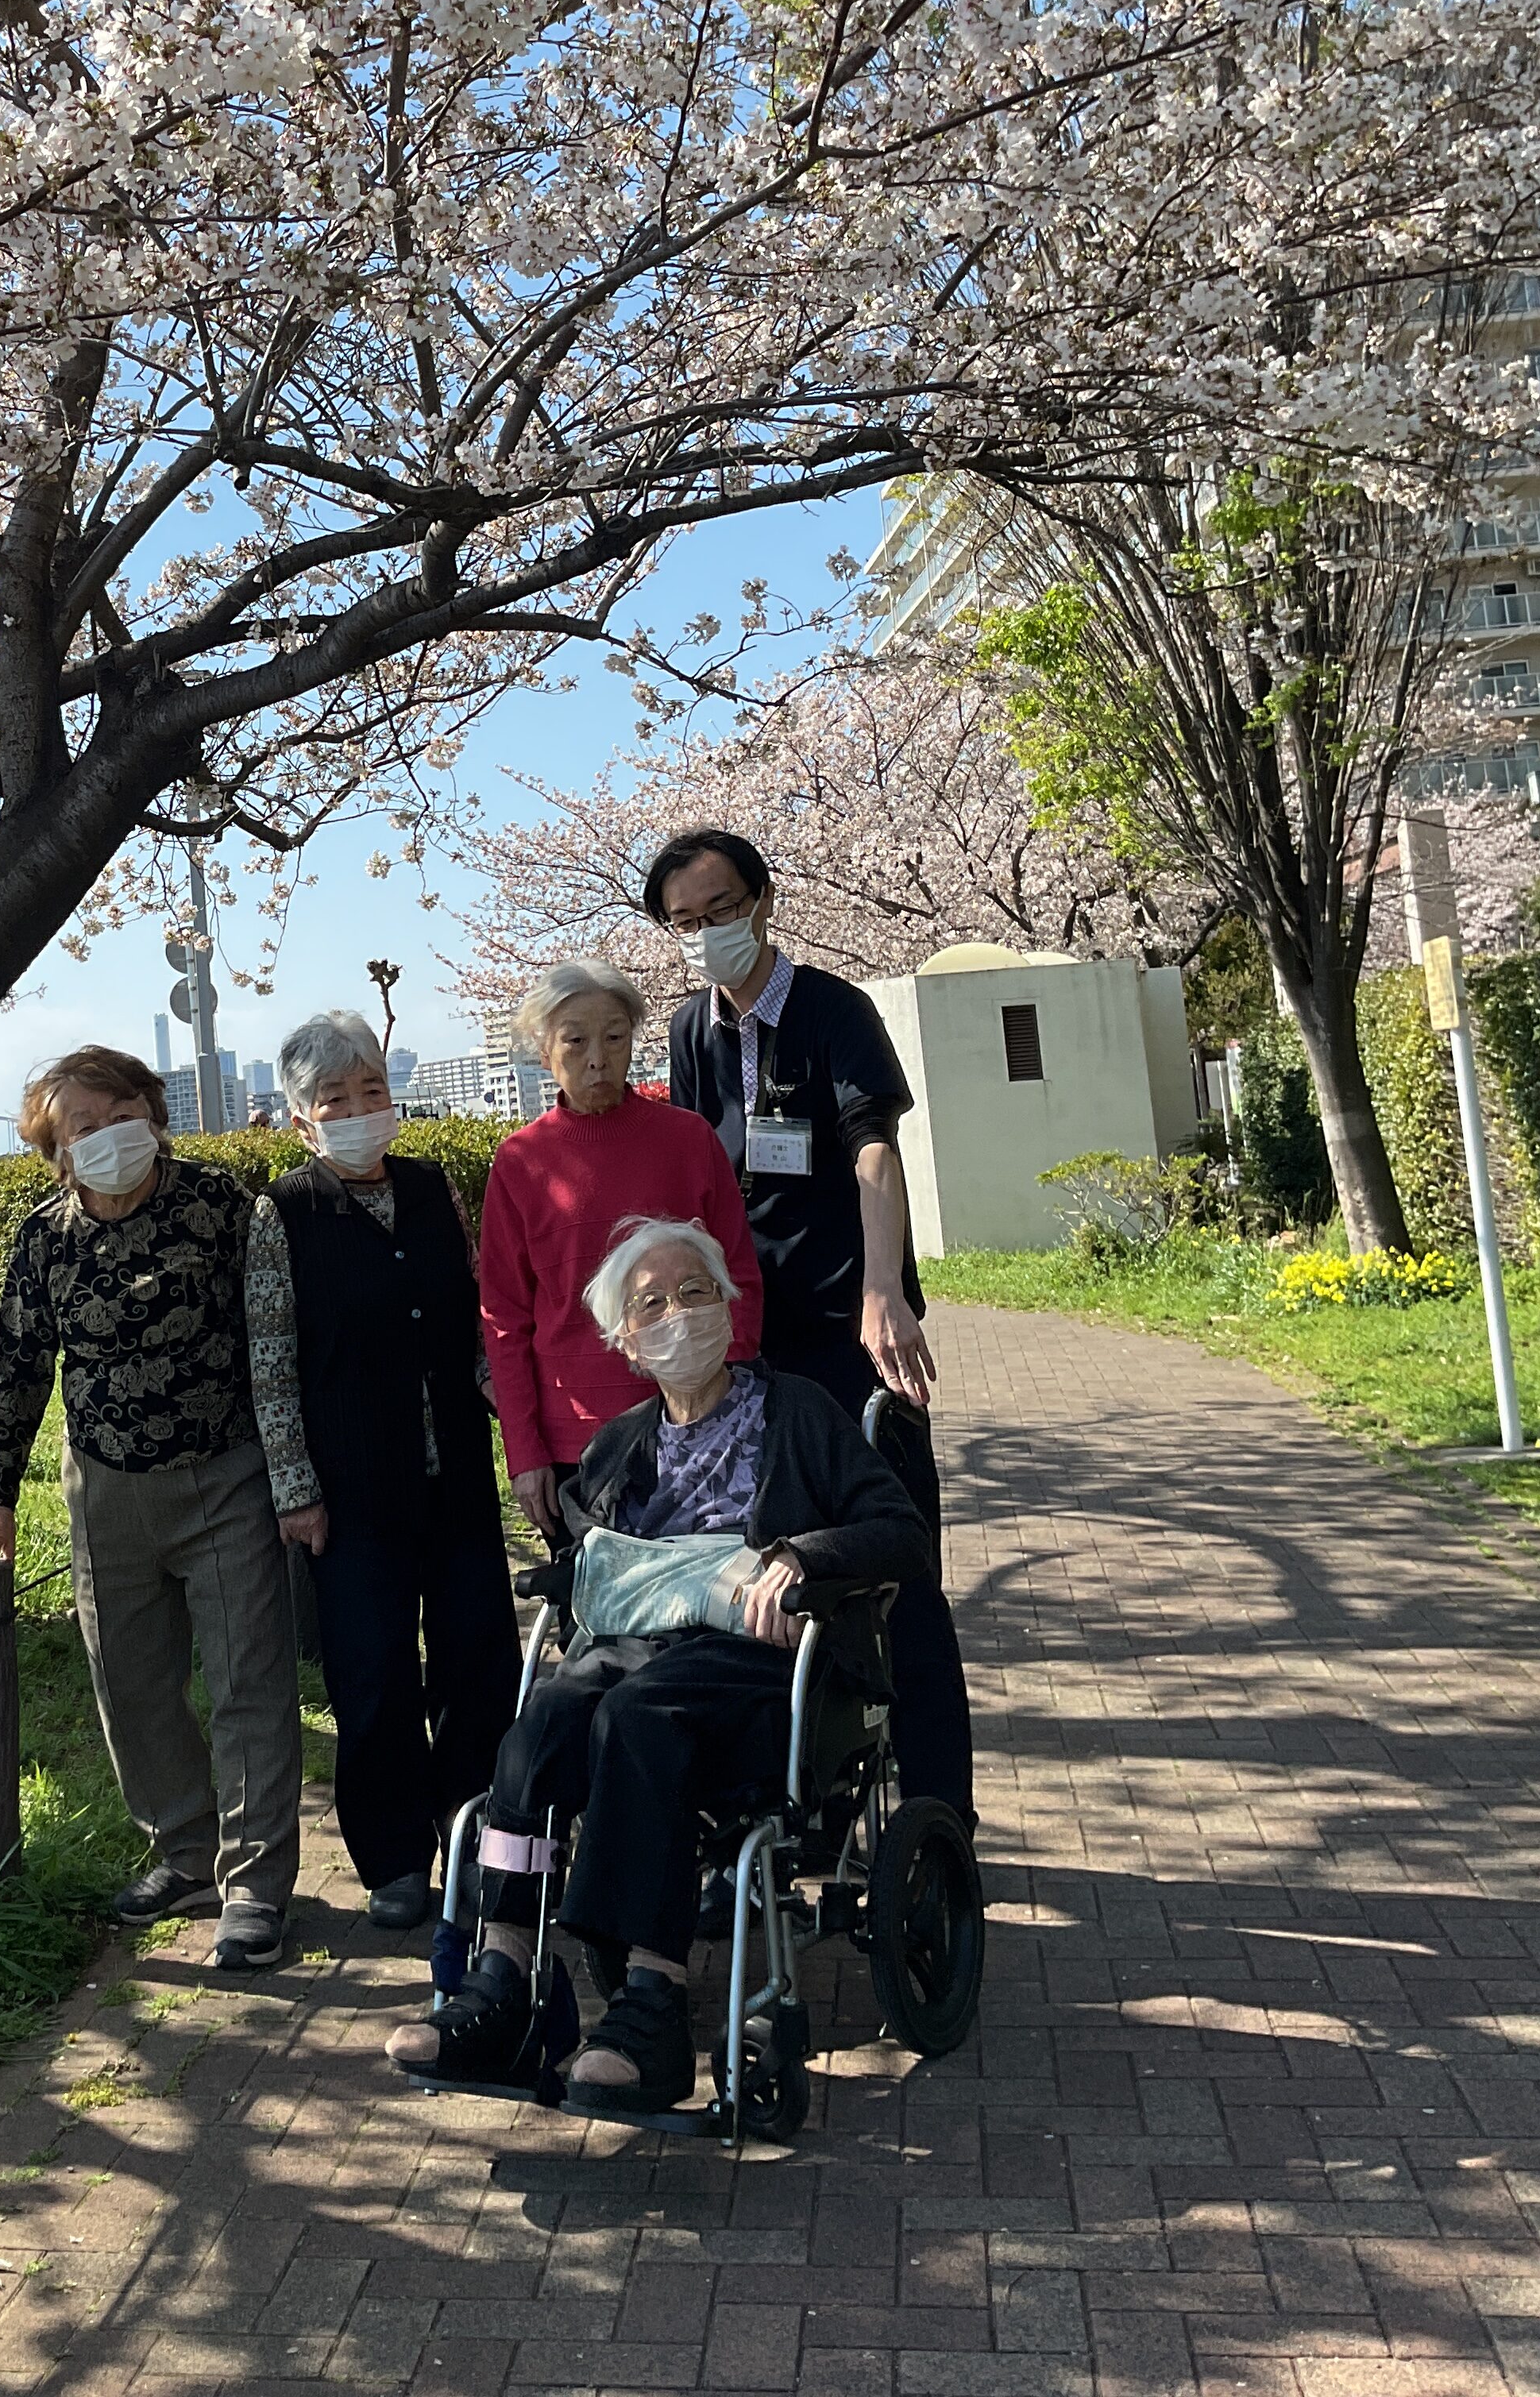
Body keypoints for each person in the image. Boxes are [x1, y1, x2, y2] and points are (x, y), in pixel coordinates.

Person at [386, 1218, 930, 2115]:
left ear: (729, 1305)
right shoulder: (618, 1447)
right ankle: (501, 1979)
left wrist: (800, 1557)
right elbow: (586, 1564)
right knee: (541, 1727)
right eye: (651, 1304)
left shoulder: (797, 1413)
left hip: (755, 1662)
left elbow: (900, 1533)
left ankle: (651, 2005)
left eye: (695, 1292)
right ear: (625, 1341)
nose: (678, 1314)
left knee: (636, 1717)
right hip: (636, 1655)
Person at [644, 826, 974, 1826]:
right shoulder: (690, 1033)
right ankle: (807, 1805)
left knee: (894, 1561)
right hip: (750, 1348)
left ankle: (938, 1817)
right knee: (769, 1569)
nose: (707, 935)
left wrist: (884, 1290)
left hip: (852, 1336)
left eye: (721, 912)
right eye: (685, 922)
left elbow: (874, 1151)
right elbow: (705, 1185)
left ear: (764, 904)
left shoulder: (834, 1011)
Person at [0, 1045, 302, 1971]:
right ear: (57, 1152)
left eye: (121, 1114)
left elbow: (277, 1345)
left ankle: (258, 1885)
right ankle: (185, 1853)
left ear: (153, 1112)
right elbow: (17, 1374)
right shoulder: (44, 1240)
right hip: (105, 1488)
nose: (108, 1137)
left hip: (225, 1475)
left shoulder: (222, 1207)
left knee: (248, 1682)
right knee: (132, 1683)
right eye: (83, 1128)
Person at [246, 1011, 521, 1932]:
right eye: (335, 1099)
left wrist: (525, 1423)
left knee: (479, 1660)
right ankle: (396, 1857)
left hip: (456, 1477)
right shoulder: (282, 1213)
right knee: (373, 1681)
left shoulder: (431, 1186)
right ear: (300, 1122)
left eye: (372, 1092)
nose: (359, 1110)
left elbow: (474, 1323)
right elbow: (271, 1361)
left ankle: (481, 1839)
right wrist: (295, 1490)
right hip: (350, 1491)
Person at [477, 961, 762, 1539]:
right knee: (591, 1614)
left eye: (615, 1036)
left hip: (695, 1421)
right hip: (573, 1438)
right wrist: (524, 1452)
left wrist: (725, 1393)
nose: (598, 1059)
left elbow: (739, 1277)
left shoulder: (688, 1139)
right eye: (575, 1040)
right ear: (543, 1049)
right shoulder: (520, 1162)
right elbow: (504, 1319)